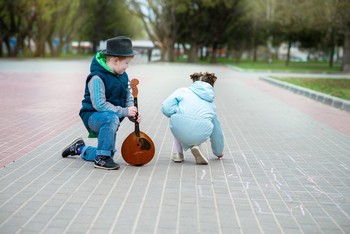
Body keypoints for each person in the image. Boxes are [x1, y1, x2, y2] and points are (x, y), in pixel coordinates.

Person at [61, 36, 140, 170]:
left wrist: (131, 112)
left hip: (111, 117)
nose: (127, 66)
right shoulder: (97, 77)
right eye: (126, 63)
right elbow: (100, 105)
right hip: (93, 115)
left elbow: (127, 96)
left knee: (107, 151)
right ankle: (101, 159)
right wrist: (124, 111)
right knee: (110, 120)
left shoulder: (123, 76)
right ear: (115, 60)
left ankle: (81, 149)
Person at [161, 72, 224, 165]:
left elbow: (166, 108)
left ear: (194, 82)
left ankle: (177, 153)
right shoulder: (211, 104)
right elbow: (217, 132)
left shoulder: (182, 91)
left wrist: (176, 111)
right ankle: (196, 145)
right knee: (201, 123)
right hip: (200, 134)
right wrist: (218, 152)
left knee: (178, 118)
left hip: (180, 128)